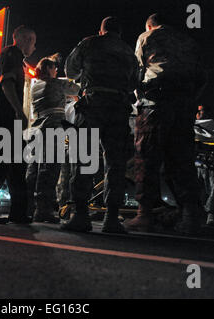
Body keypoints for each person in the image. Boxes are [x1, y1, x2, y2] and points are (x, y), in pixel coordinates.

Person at [124, 13, 207, 234]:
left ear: (149, 25)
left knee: (146, 158)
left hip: (156, 101)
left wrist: (139, 97)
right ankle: (190, 216)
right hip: (184, 105)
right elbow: (201, 78)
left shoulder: (147, 37)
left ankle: (145, 216)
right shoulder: (189, 42)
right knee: (181, 159)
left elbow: (137, 70)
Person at [62, 16, 138, 233]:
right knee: (115, 163)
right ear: (119, 33)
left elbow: (70, 71)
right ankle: (112, 219)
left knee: (85, 158)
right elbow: (134, 82)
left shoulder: (89, 43)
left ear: (102, 30)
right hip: (119, 108)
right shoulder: (128, 52)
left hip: (93, 105)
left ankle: (81, 216)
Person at [0, 26, 36, 224]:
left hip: (9, 116)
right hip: (6, 115)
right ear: (25, 38)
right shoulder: (11, 53)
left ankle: (18, 212)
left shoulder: (18, 60)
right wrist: (19, 111)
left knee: (17, 167)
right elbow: (6, 83)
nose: (34, 47)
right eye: (33, 41)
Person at [25, 55, 80, 223]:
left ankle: (27, 207)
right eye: (54, 69)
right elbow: (76, 89)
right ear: (49, 69)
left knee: (33, 171)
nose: (56, 71)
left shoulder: (35, 86)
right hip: (52, 128)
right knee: (49, 170)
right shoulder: (56, 83)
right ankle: (43, 210)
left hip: (36, 128)